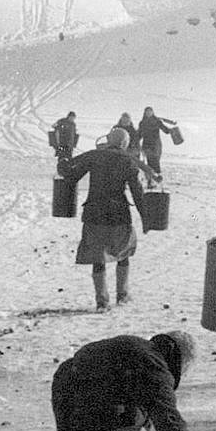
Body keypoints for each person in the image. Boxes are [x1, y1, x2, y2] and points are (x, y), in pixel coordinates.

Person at [51, 329, 206, 431]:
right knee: (150, 407)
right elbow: (170, 422)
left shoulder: (135, 347)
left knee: (125, 391)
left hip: (69, 409)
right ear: (181, 361)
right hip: (100, 403)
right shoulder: (152, 362)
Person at [59, 127, 152, 311]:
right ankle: (123, 296)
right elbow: (137, 192)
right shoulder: (128, 160)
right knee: (123, 253)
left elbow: (70, 175)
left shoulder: (95, 155)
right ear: (124, 144)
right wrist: (145, 218)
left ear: (109, 140)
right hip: (119, 215)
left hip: (95, 213)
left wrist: (61, 161)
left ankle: (102, 302)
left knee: (98, 257)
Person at [138, 106, 173, 177]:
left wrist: (172, 130)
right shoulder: (142, 122)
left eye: (150, 111)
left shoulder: (157, 121)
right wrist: (135, 141)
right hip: (147, 145)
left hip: (156, 144)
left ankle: (156, 177)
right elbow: (139, 134)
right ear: (144, 113)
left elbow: (165, 130)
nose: (148, 113)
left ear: (152, 112)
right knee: (150, 162)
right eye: (147, 112)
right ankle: (151, 180)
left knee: (156, 161)